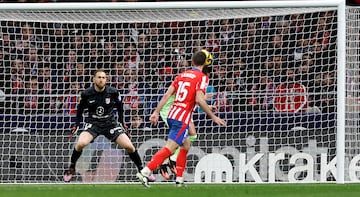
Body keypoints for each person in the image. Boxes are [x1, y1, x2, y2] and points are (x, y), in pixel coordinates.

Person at [136, 50, 226, 187]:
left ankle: (179, 179)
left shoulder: (182, 75)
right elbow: (199, 99)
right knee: (170, 148)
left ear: (192, 62)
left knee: (186, 144)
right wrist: (212, 116)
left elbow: (166, 96)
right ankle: (145, 172)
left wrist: (155, 112)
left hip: (172, 114)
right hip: (182, 118)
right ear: (207, 63)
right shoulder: (202, 77)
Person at [63, 69, 146, 182]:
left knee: (129, 146)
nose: (101, 80)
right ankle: (71, 168)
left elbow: (120, 107)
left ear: (106, 80)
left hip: (110, 123)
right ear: (94, 79)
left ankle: (142, 170)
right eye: (99, 77)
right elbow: (80, 110)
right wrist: (76, 125)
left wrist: (122, 123)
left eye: (103, 78)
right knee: (80, 144)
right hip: (93, 123)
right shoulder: (86, 93)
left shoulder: (113, 92)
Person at [158, 66, 216, 180]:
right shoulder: (189, 80)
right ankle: (163, 163)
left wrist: (207, 105)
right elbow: (191, 98)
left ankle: (172, 159)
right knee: (177, 139)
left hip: (184, 110)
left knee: (193, 135)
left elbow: (193, 100)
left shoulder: (196, 82)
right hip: (170, 109)